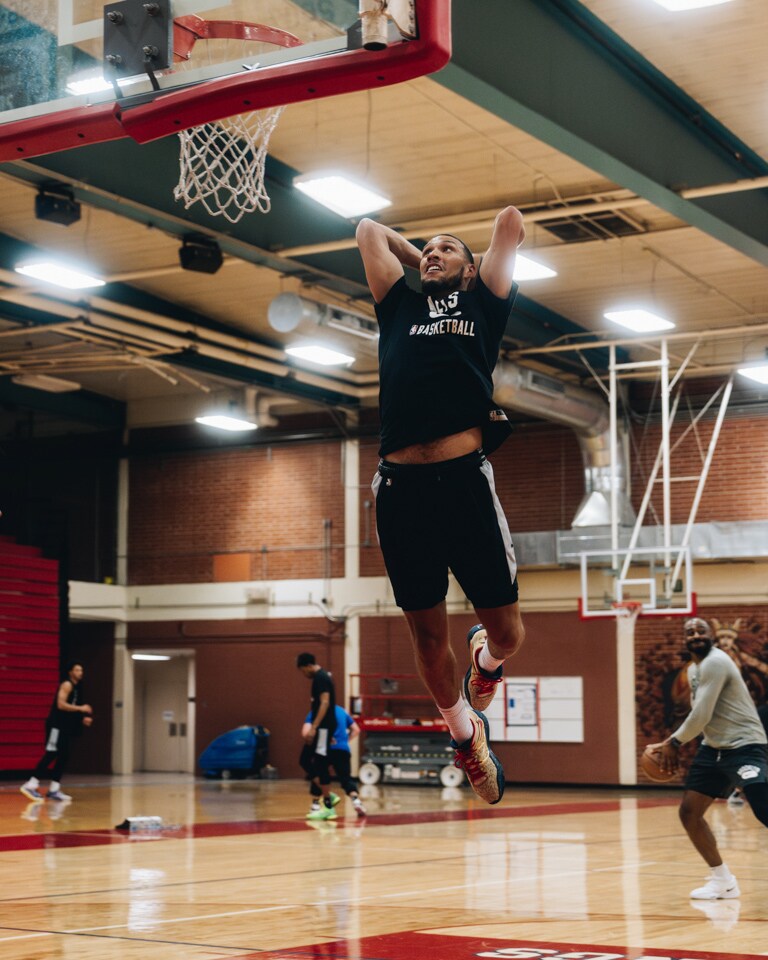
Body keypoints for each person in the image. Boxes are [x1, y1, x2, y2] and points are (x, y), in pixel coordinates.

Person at [356, 207, 527, 806]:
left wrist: (470, 267)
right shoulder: (397, 306)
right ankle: (464, 734)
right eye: (427, 249)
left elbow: (509, 221)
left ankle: (486, 657)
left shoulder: (485, 305)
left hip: (464, 484)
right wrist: (423, 257)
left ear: (474, 269)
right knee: (427, 637)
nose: (433, 253)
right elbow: (369, 229)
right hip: (400, 490)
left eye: (447, 249)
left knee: (508, 632)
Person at [649, 617, 768, 901]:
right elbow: (702, 718)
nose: (695, 635)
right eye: (690, 632)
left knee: (764, 808)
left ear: (711, 635)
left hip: (745, 745)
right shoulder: (693, 670)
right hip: (714, 748)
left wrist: (673, 742)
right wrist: (673, 742)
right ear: (685, 640)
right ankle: (723, 882)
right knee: (689, 812)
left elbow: (701, 713)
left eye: (701, 630)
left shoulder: (716, 661)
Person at [20, 660, 93, 802]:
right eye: (77, 670)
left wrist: (81, 719)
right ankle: (31, 784)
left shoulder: (78, 687)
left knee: (64, 755)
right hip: (56, 726)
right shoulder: (67, 685)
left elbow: (71, 708)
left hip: (65, 727)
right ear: (70, 672)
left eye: (81, 670)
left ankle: (54, 789)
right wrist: (81, 708)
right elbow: (61, 705)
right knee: (51, 753)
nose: (80, 673)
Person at [300, 705, 367, 819]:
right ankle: (356, 801)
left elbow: (305, 733)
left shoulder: (317, 711)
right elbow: (356, 730)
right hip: (342, 749)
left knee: (319, 774)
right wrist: (345, 741)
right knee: (346, 778)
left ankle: (316, 805)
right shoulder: (342, 711)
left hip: (324, 748)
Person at [296, 652, 338, 820]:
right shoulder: (319, 678)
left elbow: (325, 702)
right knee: (304, 760)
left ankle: (328, 806)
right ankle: (329, 795)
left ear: (307, 666)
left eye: (302, 671)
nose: (303, 675)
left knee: (321, 763)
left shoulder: (321, 678)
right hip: (323, 729)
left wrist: (314, 727)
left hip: (322, 728)